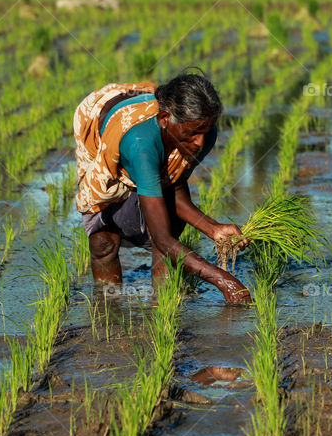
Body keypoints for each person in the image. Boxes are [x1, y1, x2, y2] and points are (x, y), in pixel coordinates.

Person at [72, 72, 252, 304]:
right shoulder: (141, 145)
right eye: (193, 132)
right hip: (102, 120)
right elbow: (163, 239)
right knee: (103, 241)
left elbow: (173, 185)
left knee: (168, 228)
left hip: (148, 118)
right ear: (166, 118)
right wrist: (225, 281)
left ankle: (164, 307)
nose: (200, 142)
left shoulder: (203, 133)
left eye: (205, 131)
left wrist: (214, 229)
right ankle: (109, 310)